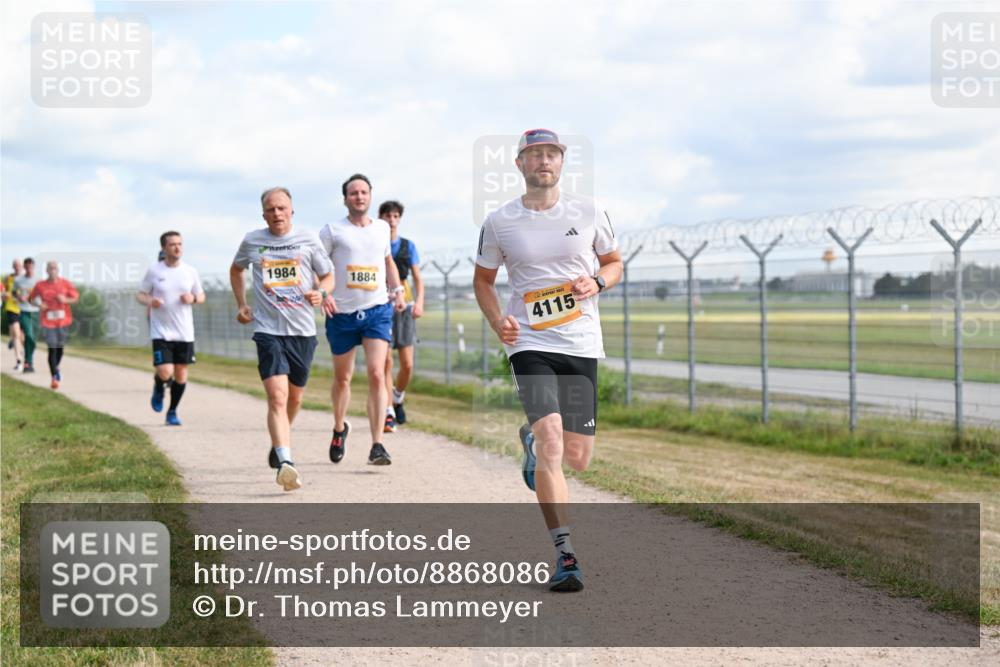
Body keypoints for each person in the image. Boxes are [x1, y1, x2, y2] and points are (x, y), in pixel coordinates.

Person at [473, 129, 622, 592]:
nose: (544, 160)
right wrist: (500, 321)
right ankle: (566, 554)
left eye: (551, 153)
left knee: (578, 458)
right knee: (554, 440)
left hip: (579, 342)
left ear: (562, 162)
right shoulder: (500, 222)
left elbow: (614, 263)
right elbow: (483, 281)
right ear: (519, 163)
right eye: (534, 153)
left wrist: (597, 284)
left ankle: (534, 448)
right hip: (530, 342)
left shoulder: (590, 210)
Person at [231, 187, 333, 491]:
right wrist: (241, 303)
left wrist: (322, 291)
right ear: (263, 214)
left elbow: (328, 275)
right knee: (277, 397)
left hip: (302, 331)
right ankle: (286, 461)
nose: (277, 214)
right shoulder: (253, 240)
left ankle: (279, 442)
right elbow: (236, 269)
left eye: (282, 208)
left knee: (295, 398)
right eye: (271, 209)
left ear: (292, 211)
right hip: (267, 330)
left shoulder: (308, 239)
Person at [319, 174, 406, 466]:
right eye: (353, 193)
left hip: (376, 311)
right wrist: (324, 293)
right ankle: (339, 427)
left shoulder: (381, 228)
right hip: (341, 314)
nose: (359, 197)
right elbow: (320, 268)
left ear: (370, 196)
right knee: (343, 378)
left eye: (364, 192)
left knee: (377, 373)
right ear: (345, 199)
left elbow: (387, 261)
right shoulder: (332, 231)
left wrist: (397, 291)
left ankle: (377, 444)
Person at [138, 232, 205, 425]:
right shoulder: (154, 271)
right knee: (165, 371)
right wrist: (150, 301)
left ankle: (173, 411)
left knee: (181, 374)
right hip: (161, 331)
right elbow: (141, 295)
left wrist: (192, 299)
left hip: (184, 332)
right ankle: (159, 385)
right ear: (164, 248)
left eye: (180, 244)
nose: (177, 248)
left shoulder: (190, 271)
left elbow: (201, 296)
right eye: (173, 244)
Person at [379, 200, 424, 430]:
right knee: (386, 362)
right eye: (387, 216)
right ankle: (388, 413)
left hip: (404, 307)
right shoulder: (375, 244)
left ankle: (397, 397)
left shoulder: (408, 246)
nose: (391, 220)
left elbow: (417, 279)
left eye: (395, 216)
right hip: (382, 307)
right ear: (380, 218)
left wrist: (420, 303)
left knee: (407, 364)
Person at [29, 261, 79, 389]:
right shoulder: (40, 285)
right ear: (46, 270)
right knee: (52, 348)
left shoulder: (65, 283)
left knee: (60, 348)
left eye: (55, 268)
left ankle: (56, 367)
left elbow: (75, 298)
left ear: (58, 270)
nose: (53, 270)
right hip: (48, 321)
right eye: (50, 268)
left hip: (63, 320)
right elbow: (30, 299)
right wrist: (40, 305)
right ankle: (54, 377)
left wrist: (65, 300)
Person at [14, 258, 40, 374]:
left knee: (33, 340)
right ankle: (28, 362)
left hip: (36, 311)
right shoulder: (18, 280)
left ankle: (28, 360)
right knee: (28, 336)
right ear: (24, 267)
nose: (29, 269)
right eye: (27, 267)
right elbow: (14, 291)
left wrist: (29, 297)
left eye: (31, 267)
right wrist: (19, 297)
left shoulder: (38, 281)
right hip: (24, 311)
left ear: (33, 267)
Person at [3, 259, 25, 370]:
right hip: (12, 308)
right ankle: (19, 361)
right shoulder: (8, 278)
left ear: (22, 266)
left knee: (22, 337)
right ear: (13, 267)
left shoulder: (26, 279)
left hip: (24, 309)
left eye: (19, 265)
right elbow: (3, 292)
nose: (17, 267)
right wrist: (4, 295)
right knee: (17, 334)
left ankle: (13, 339)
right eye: (15, 265)